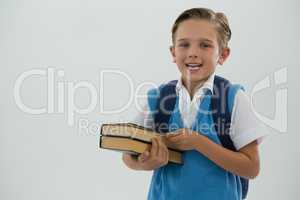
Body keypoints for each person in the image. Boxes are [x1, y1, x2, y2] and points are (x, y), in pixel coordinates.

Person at [122, 7, 267, 200]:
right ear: (173, 53)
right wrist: (145, 164)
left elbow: (251, 168)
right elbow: (128, 155)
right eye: (184, 45)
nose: (192, 53)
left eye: (205, 45)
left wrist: (199, 143)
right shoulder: (157, 98)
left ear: (223, 54)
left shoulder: (233, 98)